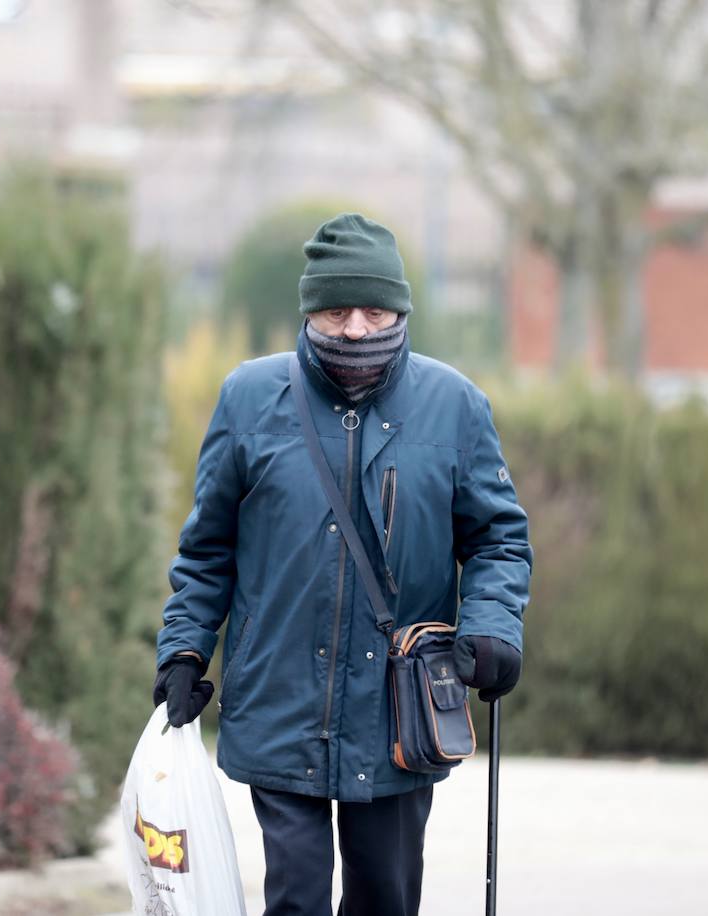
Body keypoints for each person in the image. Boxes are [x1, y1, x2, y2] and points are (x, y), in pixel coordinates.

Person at [152, 213, 532, 916]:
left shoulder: (455, 407)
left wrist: (493, 624)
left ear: (400, 308)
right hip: (279, 696)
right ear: (309, 310)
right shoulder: (247, 398)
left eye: (373, 309)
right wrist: (183, 648)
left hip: (398, 712)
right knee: (295, 897)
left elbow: (497, 539)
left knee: (385, 898)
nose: (355, 327)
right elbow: (208, 549)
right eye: (335, 310)